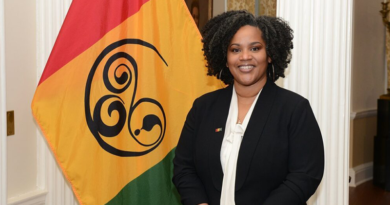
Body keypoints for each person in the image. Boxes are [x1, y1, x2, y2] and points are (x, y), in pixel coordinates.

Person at [173, 10, 324, 205]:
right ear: (225, 58)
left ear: (269, 55)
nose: (245, 57)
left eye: (255, 48)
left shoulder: (295, 109)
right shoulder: (203, 107)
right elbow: (183, 168)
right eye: (235, 50)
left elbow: (305, 175)